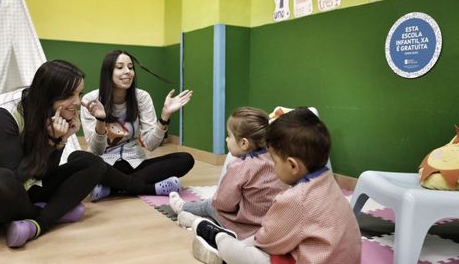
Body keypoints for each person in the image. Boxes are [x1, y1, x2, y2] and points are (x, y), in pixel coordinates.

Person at [191, 107, 362, 264]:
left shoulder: (295, 199)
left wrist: (234, 243)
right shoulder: (329, 182)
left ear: (293, 166)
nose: (272, 166)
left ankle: (219, 239)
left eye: (274, 161)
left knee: (240, 252)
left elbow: (265, 241)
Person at [0, 60, 108, 248]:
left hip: (24, 189)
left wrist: (61, 140)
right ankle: (51, 212)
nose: (78, 102)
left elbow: (43, 173)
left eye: (79, 93)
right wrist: (51, 142)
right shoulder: (0, 115)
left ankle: (38, 223)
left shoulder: (45, 110)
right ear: (49, 95)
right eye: (70, 95)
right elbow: (16, 178)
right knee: (1, 180)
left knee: (94, 164)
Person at [80, 50, 195, 201]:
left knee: (185, 159)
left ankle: (111, 188)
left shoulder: (142, 97)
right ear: (108, 72)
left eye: (130, 67)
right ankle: (150, 188)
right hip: (104, 163)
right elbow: (97, 149)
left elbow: (150, 145)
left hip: (135, 162)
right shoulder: (91, 100)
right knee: (79, 161)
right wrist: (101, 120)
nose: (127, 72)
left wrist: (164, 117)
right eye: (120, 67)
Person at [169, 107, 288, 239]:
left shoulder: (240, 167)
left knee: (210, 205)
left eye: (229, 135)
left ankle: (184, 207)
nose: (226, 140)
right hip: (271, 226)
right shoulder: (277, 159)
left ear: (244, 143)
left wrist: (216, 201)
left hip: (244, 226)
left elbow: (223, 203)